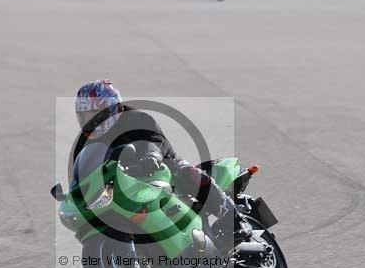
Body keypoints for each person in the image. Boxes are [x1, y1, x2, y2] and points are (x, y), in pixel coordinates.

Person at [73, 79, 251, 247]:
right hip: (123, 186)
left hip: (162, 168)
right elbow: (84, 170)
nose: (90, 121)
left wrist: (152, 156)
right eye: (85, 116)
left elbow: (153, 140)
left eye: (95, 114)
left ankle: (234, 220)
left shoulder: (136, 118)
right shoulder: (84, 143)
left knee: (190, 173)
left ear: (113, 108)